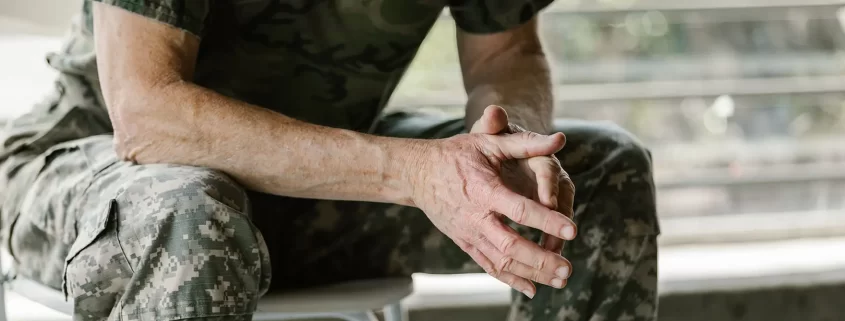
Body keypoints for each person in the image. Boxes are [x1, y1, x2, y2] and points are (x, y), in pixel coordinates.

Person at [0, 1, 659, 320]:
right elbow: (149, 116)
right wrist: (418, 173)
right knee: (189, 212)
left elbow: (503, 53)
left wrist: (507, 139)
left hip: (313, 185)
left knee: (603, 171)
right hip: (101, 171)